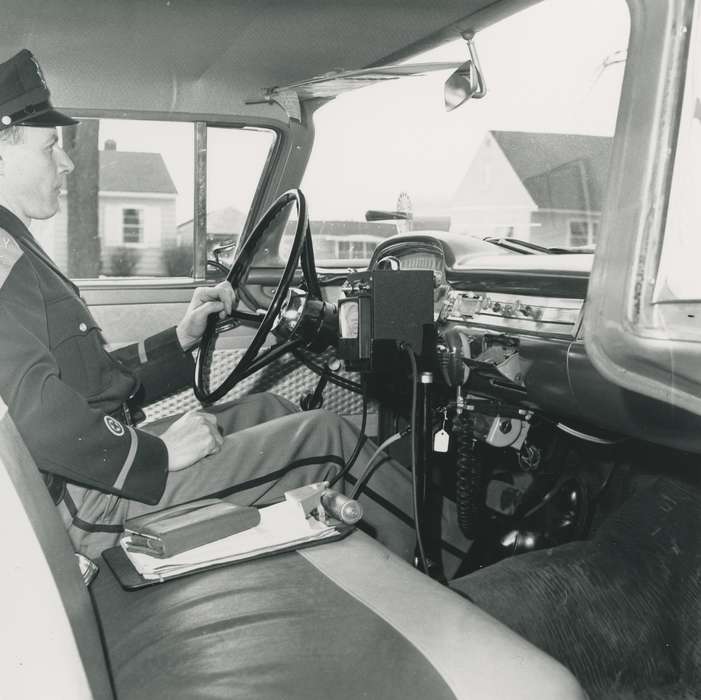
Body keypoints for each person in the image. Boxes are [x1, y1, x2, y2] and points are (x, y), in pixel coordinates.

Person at [0, 49, 434, 560]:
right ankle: (456, 573)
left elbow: (83, 379)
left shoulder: (15, 244)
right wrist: (159, 455)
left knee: (275, 408)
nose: (66, 161)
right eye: (51, 147)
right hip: (86, 503)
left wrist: (180, 338)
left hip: (86, 475)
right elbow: (32, 413)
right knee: (331, 437)